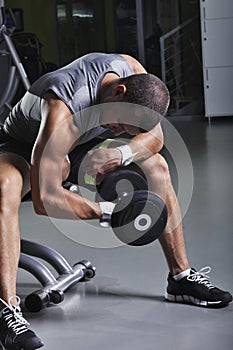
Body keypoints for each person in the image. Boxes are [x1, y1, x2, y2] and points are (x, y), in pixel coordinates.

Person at [0, 52, 232, 350]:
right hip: (24, 148)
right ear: (117, 91)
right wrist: (112, 213)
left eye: (127, 129)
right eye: (121, 124)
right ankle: (7, 309)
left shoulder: (130, 72)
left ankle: (181, 278)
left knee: (157, 166)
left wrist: (119, 153)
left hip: (81, 145)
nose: (120, 132)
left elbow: (155, 137)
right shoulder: (62, 105)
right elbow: (45, 198)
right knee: (5, 186)